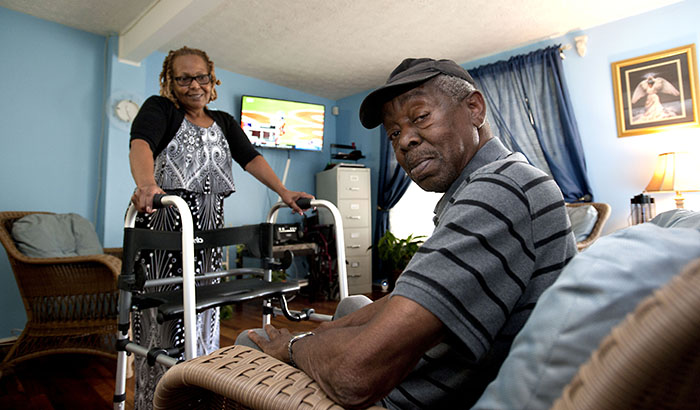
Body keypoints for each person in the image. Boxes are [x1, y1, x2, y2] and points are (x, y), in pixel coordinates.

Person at [242, 58, 577, 409]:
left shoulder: (498, 191)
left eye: (420, 117)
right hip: (469, 371)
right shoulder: (498, 180)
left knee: (250, 345)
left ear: (474, 108)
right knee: (353, 305)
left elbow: (354, 375)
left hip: (414, 398)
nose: (405, 142)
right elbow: (416, 292)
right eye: (394, 133)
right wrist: (322, 333)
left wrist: (294, 347)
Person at [128, 46, 312, 409]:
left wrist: (284, 191)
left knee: (205, 322)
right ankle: (159, 402)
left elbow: (252, 158)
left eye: (201, 77)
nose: (193, 84)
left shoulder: (225, 122)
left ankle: (199, 395)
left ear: (212, 80)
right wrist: (147, 183)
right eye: (183, 78)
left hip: (210, 238)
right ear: (171, 81)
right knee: (167, 326)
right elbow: (141, 144)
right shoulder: (160, 109)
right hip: (167, 232)